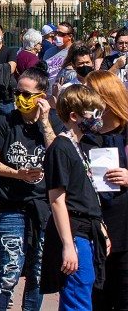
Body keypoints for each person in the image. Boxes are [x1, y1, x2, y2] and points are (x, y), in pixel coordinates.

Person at [0, 66, 57, 311]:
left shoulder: (53, 123)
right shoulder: (5, 122)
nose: (20, 99)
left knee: (37, 275)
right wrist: (17, 173)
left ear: (41, 96)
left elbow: (59, 155)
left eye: (26, 94)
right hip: (11, 208)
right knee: (8, 273)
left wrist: (45, 122)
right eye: (18, 93)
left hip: (43, 209)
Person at [40, 84, 108, 310]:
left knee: (82, 293)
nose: (98, 118)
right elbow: (57, 200)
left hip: (87, 231)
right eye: (93, 113)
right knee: (77, 299)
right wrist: (68, 245)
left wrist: (101, 229)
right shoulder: (61, 148)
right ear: (74, 116)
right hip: (75, 233)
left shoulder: (77, 145)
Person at [81, 70, 128, 311]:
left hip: (124, 230)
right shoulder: (86, 137)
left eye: (90, 94)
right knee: (96, 299)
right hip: (95, 230)